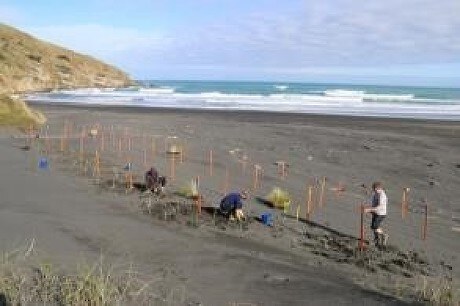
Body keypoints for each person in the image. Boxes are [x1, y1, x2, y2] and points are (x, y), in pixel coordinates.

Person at [364, 182, 389, 247]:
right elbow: (372, 199)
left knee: (375, 226)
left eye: (375, 190)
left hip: (381, 213)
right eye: (373, 190)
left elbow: (380, 206)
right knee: (373, 227)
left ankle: (384, 235)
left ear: (379, 188)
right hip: (375, 212)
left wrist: (369, 210)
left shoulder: (382, 195)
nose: (374, 191)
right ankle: (376, 240)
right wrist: (365, 189)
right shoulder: (376, 193)